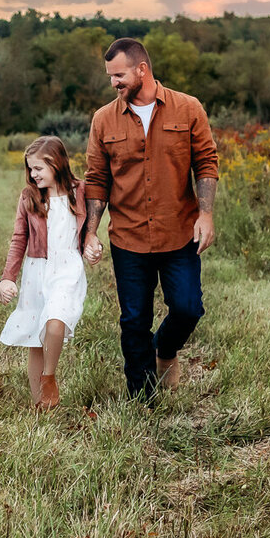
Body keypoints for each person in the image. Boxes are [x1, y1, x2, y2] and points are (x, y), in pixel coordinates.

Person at [82, 38, 219, 400]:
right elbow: (97, 178)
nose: (114, 82)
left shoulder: (187, 108)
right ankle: (142, 399)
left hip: (179, 232)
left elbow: (206, 163)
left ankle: (166, 350)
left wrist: (206, 214)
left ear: (142, 69)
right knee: (133, 321)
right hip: (128, 236)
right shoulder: (103, 120)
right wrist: (90, 232)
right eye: (110, 76)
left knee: (189, 307)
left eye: (120, 74)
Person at [0, 136, 88, 410]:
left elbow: (90, 224)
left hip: (68, 268)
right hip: (37, 270)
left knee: (55, 321)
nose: (33, 175)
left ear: (56, 164)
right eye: (30, 169)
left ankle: (49, 376)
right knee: (35, 335)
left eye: (38, 169)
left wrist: (93, 242)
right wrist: (8, 276)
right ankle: (42, 404)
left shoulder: (80, 191)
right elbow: (18, 238)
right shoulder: (29, 197)